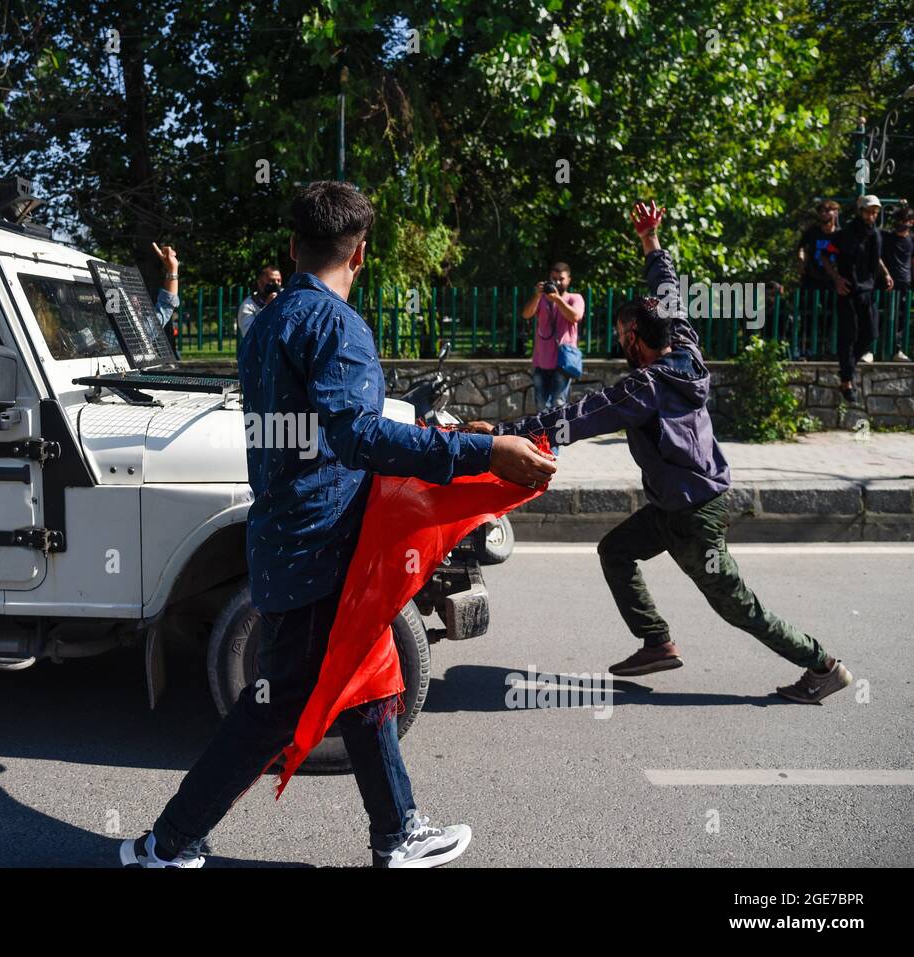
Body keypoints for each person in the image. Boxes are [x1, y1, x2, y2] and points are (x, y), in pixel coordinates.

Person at [119, 181, 556, 869]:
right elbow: (358, 437)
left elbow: (326, 434)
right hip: (321, 548)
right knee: (277, 705)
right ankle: (168, 842)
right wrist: (483, 450)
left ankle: (396, 831)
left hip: (290, 536)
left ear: (294, 248)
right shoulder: (336, 325)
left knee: (368, 676)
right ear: (361, 253)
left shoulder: (265, 321)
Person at [466, 201, 853, 705]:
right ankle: (656, 641)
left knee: (738, 606)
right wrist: (650, 239)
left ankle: (823, 665)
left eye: (622, 335)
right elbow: (668, 289)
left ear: (633, 339)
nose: (619, 340)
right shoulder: (686, 348)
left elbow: (571, 419)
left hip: (694, 515)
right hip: (674, 505)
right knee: (616, 550)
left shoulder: (644, 386)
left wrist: (496, 433)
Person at [822, 195, 893, 400]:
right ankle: (846, 382)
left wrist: (886, 273)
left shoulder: (875, 235)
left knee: (871, 333)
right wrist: (837, 279)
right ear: (860, 211)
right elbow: (826, 255)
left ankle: (848, 368)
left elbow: (876, 257)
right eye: (869, 211)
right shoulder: (844, 236)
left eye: (875, 212)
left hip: (867, 290)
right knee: (848, 335)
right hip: (849, 291)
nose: (872, 215)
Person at [520, 262, 584, 410]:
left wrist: (557, 299)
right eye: (553, 278)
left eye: (561, 279)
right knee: (541, 404)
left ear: (569, 280)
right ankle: (543, 434)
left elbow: (575, 316)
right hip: (540, 361)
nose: (557, 282)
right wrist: (537, 295)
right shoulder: (541, 299)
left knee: (559, 404)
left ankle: (561, 433)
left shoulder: (575, 298)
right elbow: (526, 314)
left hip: (563, 361)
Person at [796, 200, 841, 362]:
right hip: (812, 278)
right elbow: (801, 247)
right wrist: (801, 262)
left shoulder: (839, 235)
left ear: (836, 213)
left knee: (830, 317)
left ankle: (827, 350)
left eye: (828, 210)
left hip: (832, 281)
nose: (824, 213)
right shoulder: (813, 232)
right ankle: (805, 350)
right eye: (821, 211)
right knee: (808, 314)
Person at [880, 205, 912, 362]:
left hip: (904, 284)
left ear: (911, 222)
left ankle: (897, 350)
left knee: (901, 319)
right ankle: (872, 349)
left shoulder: (911, 240)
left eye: (904, 220)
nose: (901, 223)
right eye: (898, 220)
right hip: (885, 284)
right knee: (879, 316)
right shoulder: (886, 237)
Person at [236, 264, 283, 337]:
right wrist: (268, 308)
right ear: (260, 282)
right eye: (272, 281)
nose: (276, 284)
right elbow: (250, 335)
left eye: (279, 281)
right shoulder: (248, 307)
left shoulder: (284, 299)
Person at [150, 242, 180, 327]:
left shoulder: (136, 331)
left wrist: (172, 269)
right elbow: (165, 308)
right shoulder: (135, 333)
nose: (136, 300)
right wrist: (172, 269)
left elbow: (164, 309)